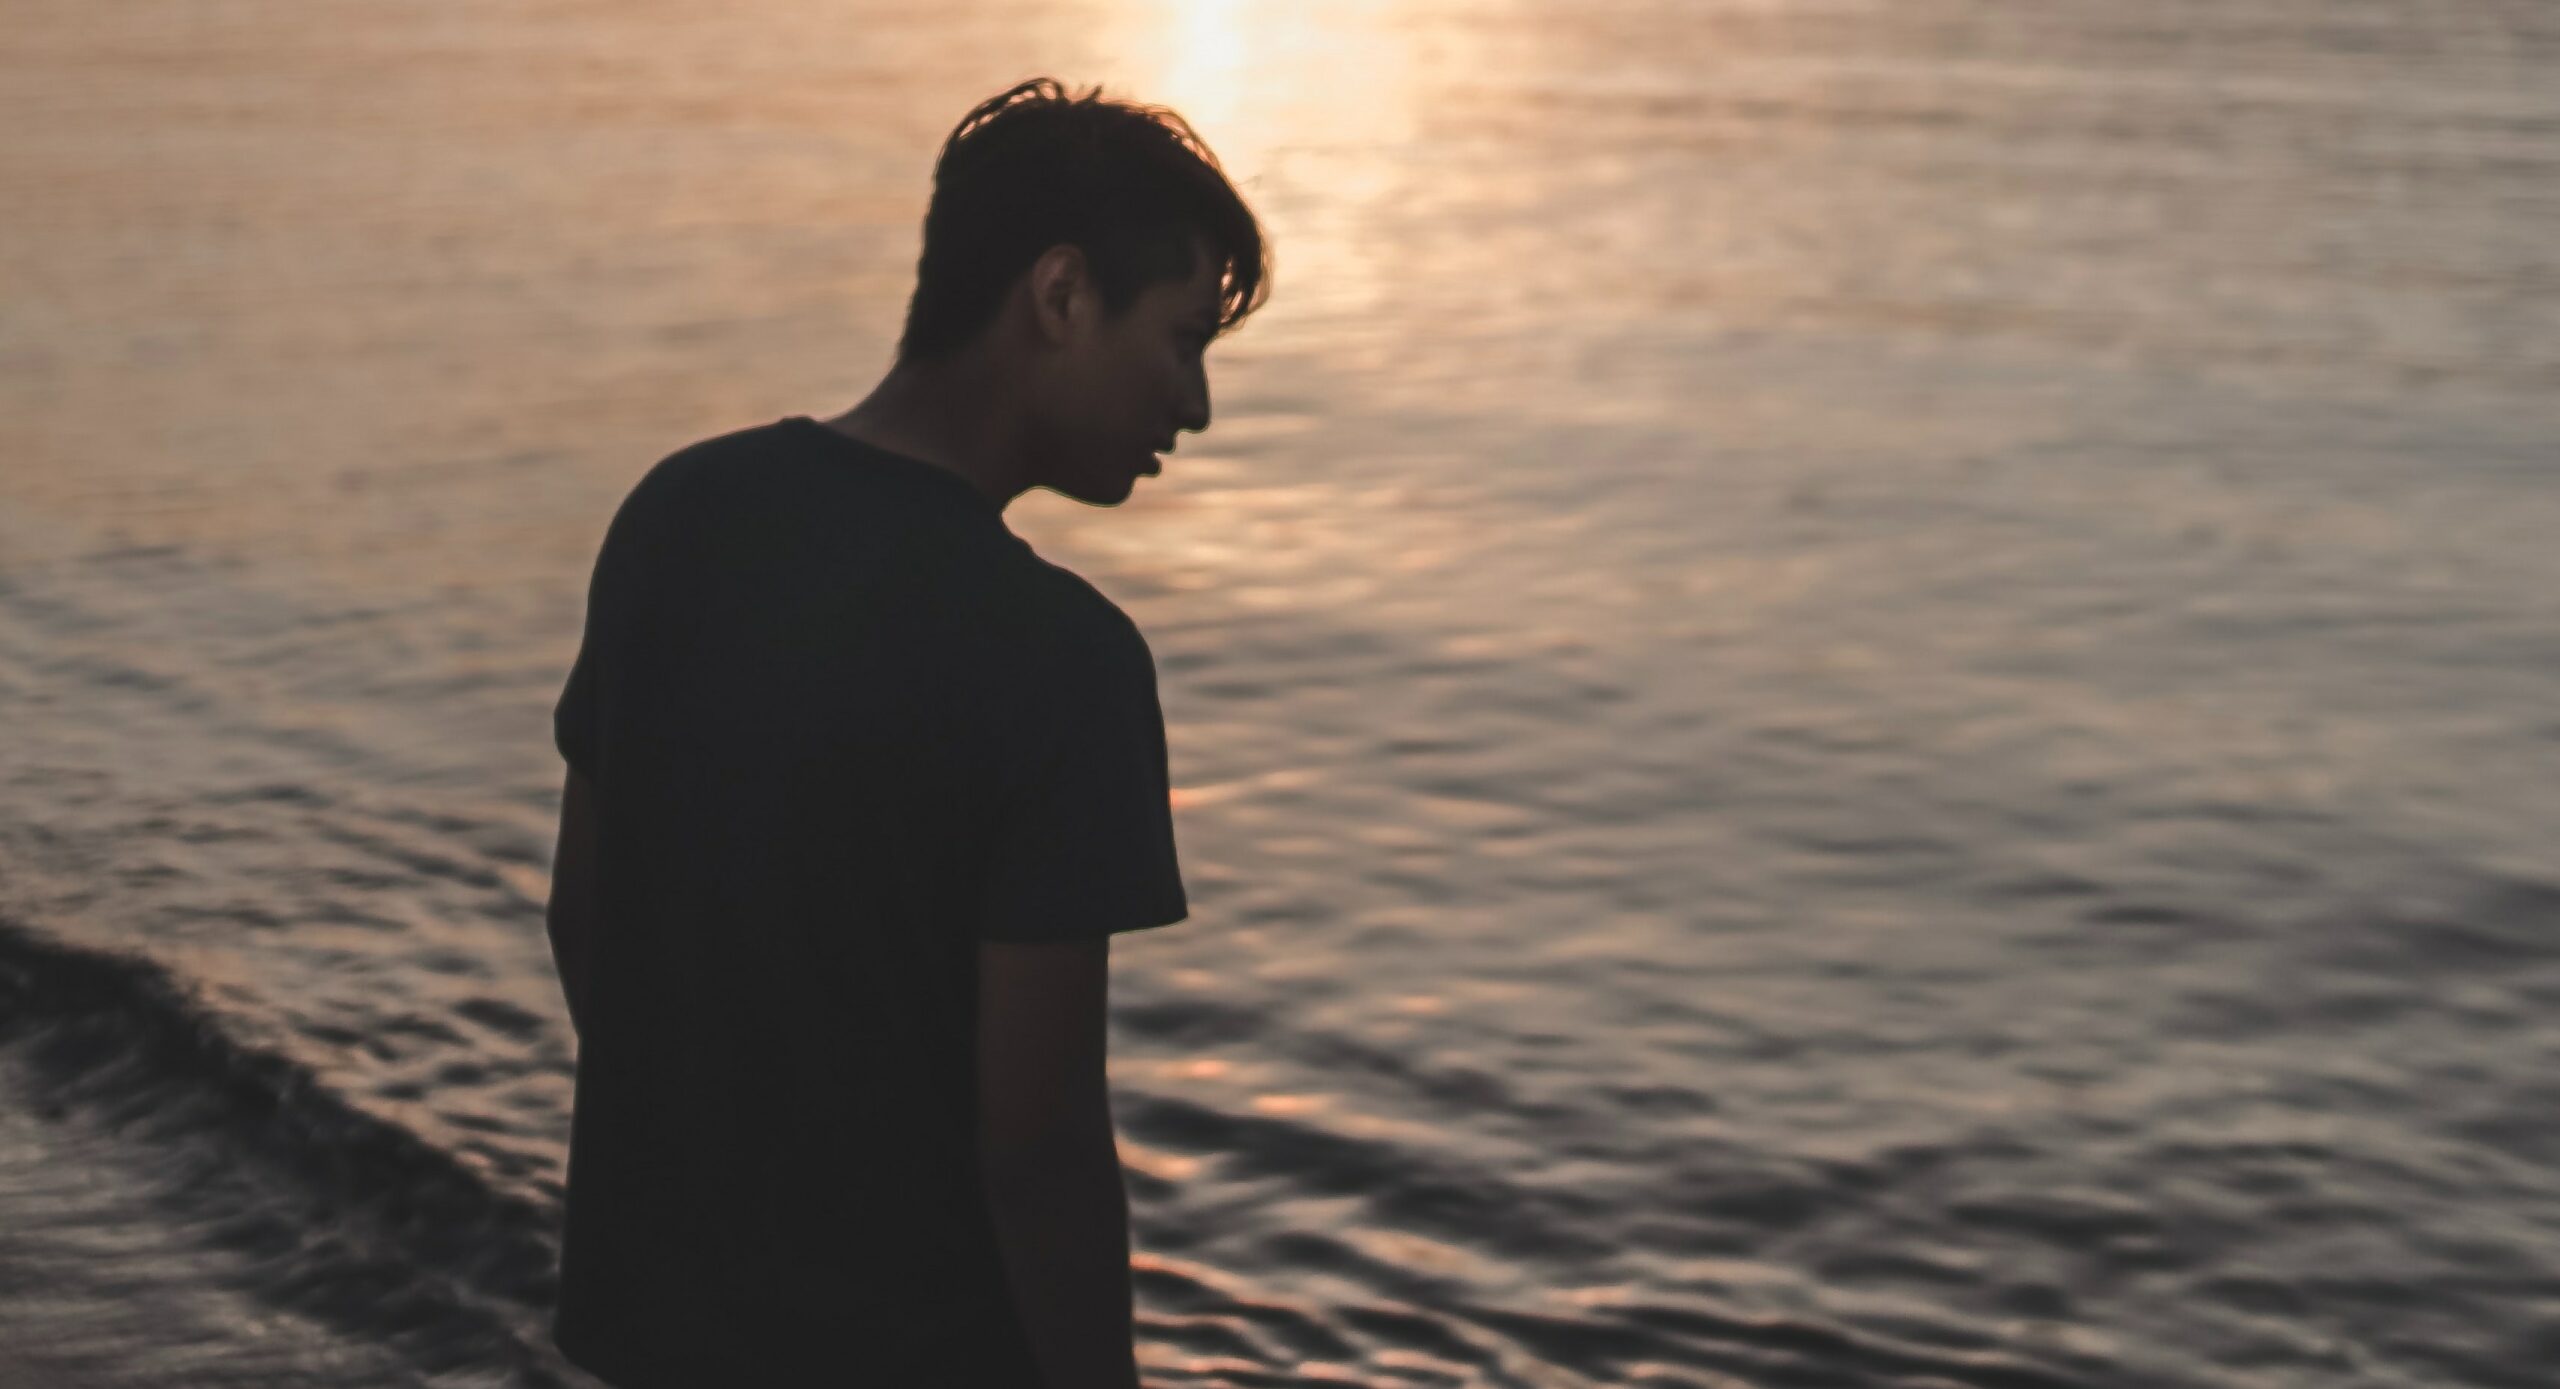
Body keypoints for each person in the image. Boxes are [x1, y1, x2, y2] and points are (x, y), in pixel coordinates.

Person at [541, 77, 1269, 1389]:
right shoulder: (1065, 661)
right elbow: (1038, 1140)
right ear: (1060, 296)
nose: (1197, 405)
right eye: (1181, 340)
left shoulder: (680, 513)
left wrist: (719, 1191)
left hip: (646, 1329)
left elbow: (585, 917)